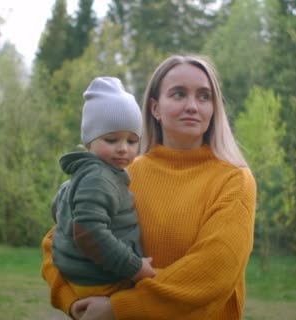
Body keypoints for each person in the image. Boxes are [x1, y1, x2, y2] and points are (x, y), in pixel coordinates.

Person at [41, 54, 257, 320]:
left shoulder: (234, 179)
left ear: (214, 109)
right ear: (155, 108)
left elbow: (214, 271)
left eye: (204, 96)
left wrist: (119, 308)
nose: (192, 105)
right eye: (178, 94)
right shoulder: (120, 172)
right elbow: (59, 240)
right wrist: (73, 301)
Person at [50, 76, 156, 299]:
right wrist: (134, 267)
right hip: (100, 280)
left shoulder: (87, 174)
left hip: (85, 276)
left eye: (131, 141)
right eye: (111, 140)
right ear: (89, 141)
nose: (123, 149)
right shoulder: (99, 178)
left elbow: (58, 208)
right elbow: (90, 232)